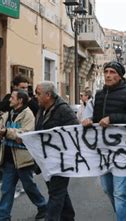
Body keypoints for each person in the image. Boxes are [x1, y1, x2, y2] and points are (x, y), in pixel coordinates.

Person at [82, 61, 126, 221]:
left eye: (112, 72)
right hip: (103, 151)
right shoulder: (99, 96)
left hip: (123, 151)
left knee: (119, 192)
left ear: (120, 75)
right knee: (107, 189)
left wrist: (113, 118)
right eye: (106, 71)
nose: (108, 75)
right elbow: (96, 120)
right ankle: (123, 215)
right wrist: (88, 121)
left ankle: (121, 218)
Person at [0, 89, 47, 221]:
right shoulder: (7, 114)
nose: (9, 100)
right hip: (8, 160)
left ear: (20, 100)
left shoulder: (28, 115)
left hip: (23, 160)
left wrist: (7, 132)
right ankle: (3, 217)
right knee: (6, 190)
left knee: (29, 187)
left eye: (12, 97)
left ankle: (43, 206)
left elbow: (24, 134)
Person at [35, 81, 79, 221]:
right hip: (48, 160)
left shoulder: (63, 110)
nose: (36, 96)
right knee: (58, 192)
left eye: (38, 93)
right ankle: (68, 217)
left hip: (62, 160)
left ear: (48, 95)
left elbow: (75, 132)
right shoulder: (42, 109)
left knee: (56, 194)